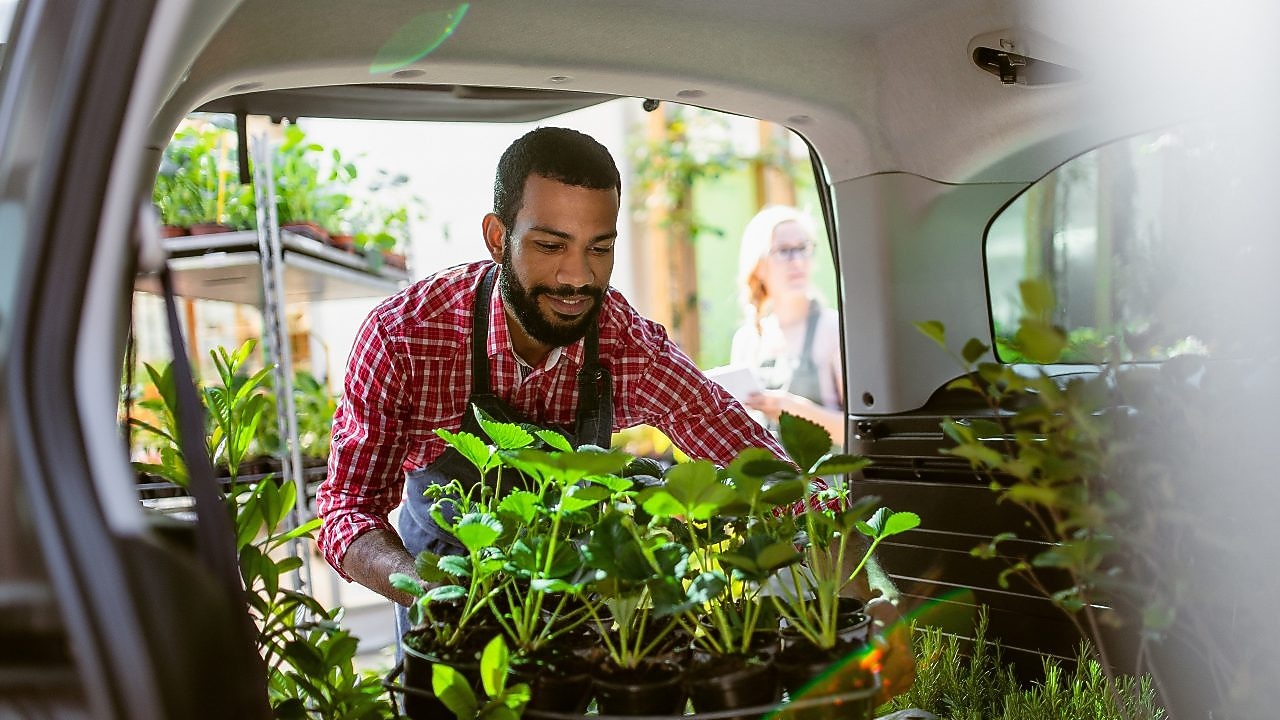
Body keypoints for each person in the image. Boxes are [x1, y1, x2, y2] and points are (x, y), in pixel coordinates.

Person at [315, 126, 790, 616]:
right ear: (498, 239)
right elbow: (347, 509)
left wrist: (824, 520)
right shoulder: (407, 338)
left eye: (599, 249)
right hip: (444, 605)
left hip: (571, 606)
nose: (578, 277)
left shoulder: (620, 341)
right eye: (550, 246)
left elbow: (739, 446)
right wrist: (433, 596)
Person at [730, 205, 845, 441]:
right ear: (759, 266)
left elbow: (856, 431)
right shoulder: (747, 340)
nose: (798, 261)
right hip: (765, 477)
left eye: (803, 248)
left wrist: (792, 409)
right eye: (784, 251)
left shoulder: (833, 328)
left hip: (823, 478)